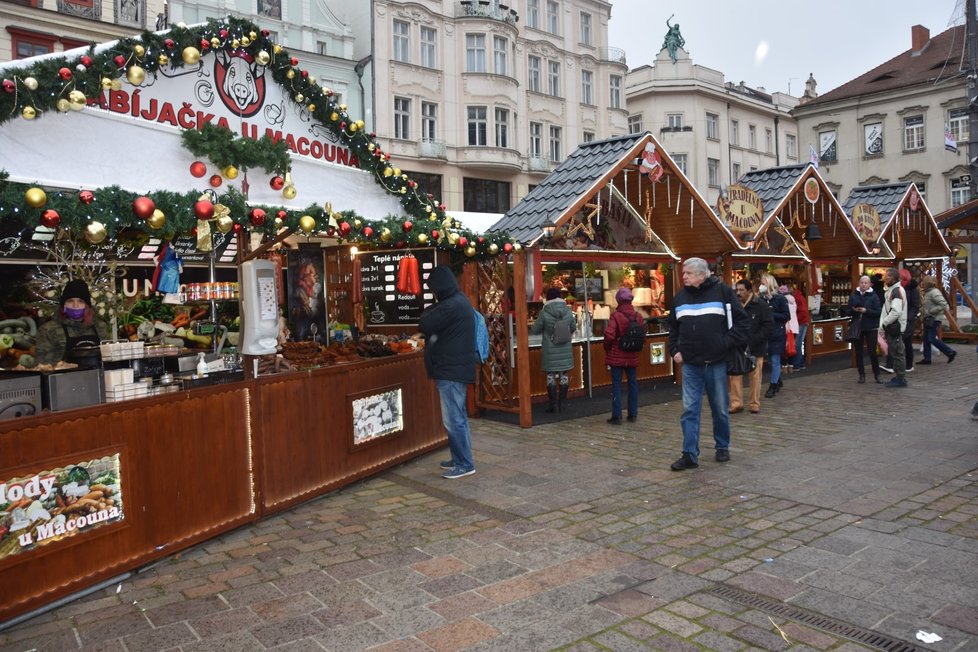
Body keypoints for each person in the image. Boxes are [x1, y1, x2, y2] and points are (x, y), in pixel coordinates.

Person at [667, 258, 749, 470]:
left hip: (716, 363)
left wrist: (725, 343)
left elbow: (742, 321)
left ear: (703, 275)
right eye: (684, 272)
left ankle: (722, 446)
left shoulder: (722, 292)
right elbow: (673, 329)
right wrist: (674, 350)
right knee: (689, 410)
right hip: (691, 365)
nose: (683, 276)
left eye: (688, 273)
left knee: (720, 409)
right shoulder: (679, 297)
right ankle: (689, 454)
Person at [420, 266, 477, 479]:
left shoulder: (450, 305)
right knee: (458, 417)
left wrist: (428, 310)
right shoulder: (459, 300)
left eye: (433, 287)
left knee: (453, 419)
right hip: (455, 368)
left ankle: (464, 463)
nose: (433, 292)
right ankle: (460, 457)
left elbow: (425, 322)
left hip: (450, 370)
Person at [36, 279, 107, 367]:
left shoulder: (100, 327)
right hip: (64, 379)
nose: (75, 305)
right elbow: (43, 364)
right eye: (70, 301)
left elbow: (108, 357)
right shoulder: (48, 329)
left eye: (80, 301)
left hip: (98, 377)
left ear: (86, 305)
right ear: (64, 305)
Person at [728, 279, 772, 415]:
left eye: (741, 290)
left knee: (755, 376)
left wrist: (755, 339)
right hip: (737, 346)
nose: (738, 293)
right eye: (737, 290)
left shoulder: (761, 305)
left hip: (755, 347)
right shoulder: (734, 305)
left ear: (749, 291)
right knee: (735, 376)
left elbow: (768, 326)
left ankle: (754, 403)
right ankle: (736, 403)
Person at [530, 287, 577, 413]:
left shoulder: (544, 312)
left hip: (550, 350)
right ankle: (562, 404)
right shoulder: (568, 311)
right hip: (565, 348)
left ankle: (553, 406)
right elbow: (573, 327)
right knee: (564, 375)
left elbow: (535, 330)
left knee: (550, 376)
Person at [603, 287, 641, 425]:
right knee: (633, 384)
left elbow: (609, 335)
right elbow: (643, 336)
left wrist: (607, 347)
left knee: (617, 385)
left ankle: (617, 415)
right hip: (632, 355)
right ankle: (633, 414)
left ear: (618, 300)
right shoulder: (638, 316)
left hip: (617, 356)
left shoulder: (616, 316)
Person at [848, 275, 883, 384]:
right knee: (858, 352)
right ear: (859, 284)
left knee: (872, 351)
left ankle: (877, 374)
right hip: (858, 327)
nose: (863, 284)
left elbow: (878, 312)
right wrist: (854, 310)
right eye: (862, 282)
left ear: (869, 284)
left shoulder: (874, 296)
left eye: (866, 283)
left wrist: (866, 311)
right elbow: (848, 311)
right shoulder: (854, 295)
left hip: (871, 326)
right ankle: (861, 374)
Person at [759, 275, 789, 398]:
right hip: (765, 334)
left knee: (775, 359)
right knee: (771, 360)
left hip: (777, 333)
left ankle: (772, 385)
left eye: (764, 283)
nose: (762, 285)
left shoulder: (780, 299)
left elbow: (786, 316)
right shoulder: (761, 299)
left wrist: (772, 314)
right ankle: (777, 379)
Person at [884, 269, 919, 373]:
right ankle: (890, 364)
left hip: (906, 320)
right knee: (894, 341)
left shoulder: (911, 289)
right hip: (895, 319)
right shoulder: (895, 289)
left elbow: (915, 306)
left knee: (906, 343)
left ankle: (908, 365)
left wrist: (908, 318)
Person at [918, 275, 957, 365]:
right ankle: (927, 358)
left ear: (927, 283)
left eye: (923, 282)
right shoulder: (929, 292)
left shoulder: (934, 292)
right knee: (926, 338)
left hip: (934, 318)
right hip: (930, 318)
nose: (922, 283)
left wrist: (931, 311)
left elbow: (943, 304)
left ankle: (950, 352)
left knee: (931, 338)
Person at [880, 267, 908, 388]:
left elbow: (895, 311)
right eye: (886, 275)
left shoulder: (896, 291)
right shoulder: (893, 290)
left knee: (897, 353)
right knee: (896, 352)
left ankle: (900, 378)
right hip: (893, 326)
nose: (886, 278)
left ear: (895, 278)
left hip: (894, 326)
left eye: (889, 276)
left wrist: (884, 323)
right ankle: (898, 376)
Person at [290, 259, 324, 342]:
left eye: (316, 272)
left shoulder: (318, 292)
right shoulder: (298, 294)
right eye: (312, 273)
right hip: (303, 332)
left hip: (318, 330)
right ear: (304, 278)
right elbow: (294, 312)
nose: (316, 275)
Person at [790, 283, 810, 370]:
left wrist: (794, 320)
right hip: (802, 322)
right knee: (798, 343)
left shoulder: (797, 298)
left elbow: (802, 312)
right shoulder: (799, 297)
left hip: (801, 323)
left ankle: (797, 364)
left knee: (797, 344)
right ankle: (800, 363)